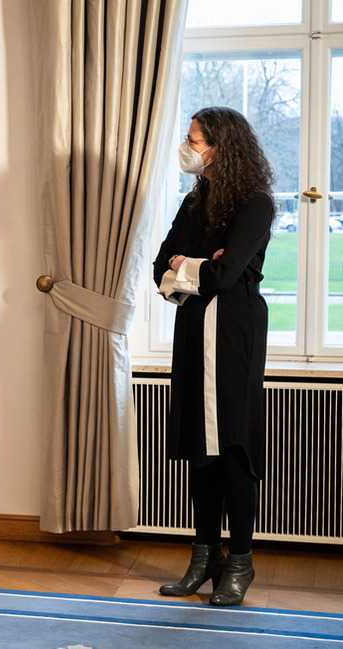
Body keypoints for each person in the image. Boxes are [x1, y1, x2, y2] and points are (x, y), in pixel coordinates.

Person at [153, 106, 275, 607]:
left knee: (233, 445)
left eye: (194, 139)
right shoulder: (194, 200)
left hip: (235, 332)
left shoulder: (256, 203)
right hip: (192, 328)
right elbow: (160, 269)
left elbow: (226, 280)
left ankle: (239, 562)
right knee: (199, 449)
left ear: (222, 145)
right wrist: (192, 265)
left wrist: (189, 265)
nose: (188, 146)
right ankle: (204, 558)